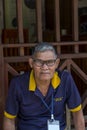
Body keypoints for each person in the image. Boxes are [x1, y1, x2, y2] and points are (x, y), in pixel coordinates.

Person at [3, 42, 85, 130]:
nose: (45, 67)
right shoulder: (18, 84)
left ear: (56, 63)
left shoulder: (65, 80)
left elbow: (77, 113)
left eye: (50, 62)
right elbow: (9, 119)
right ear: (31, 63)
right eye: (39, 62)